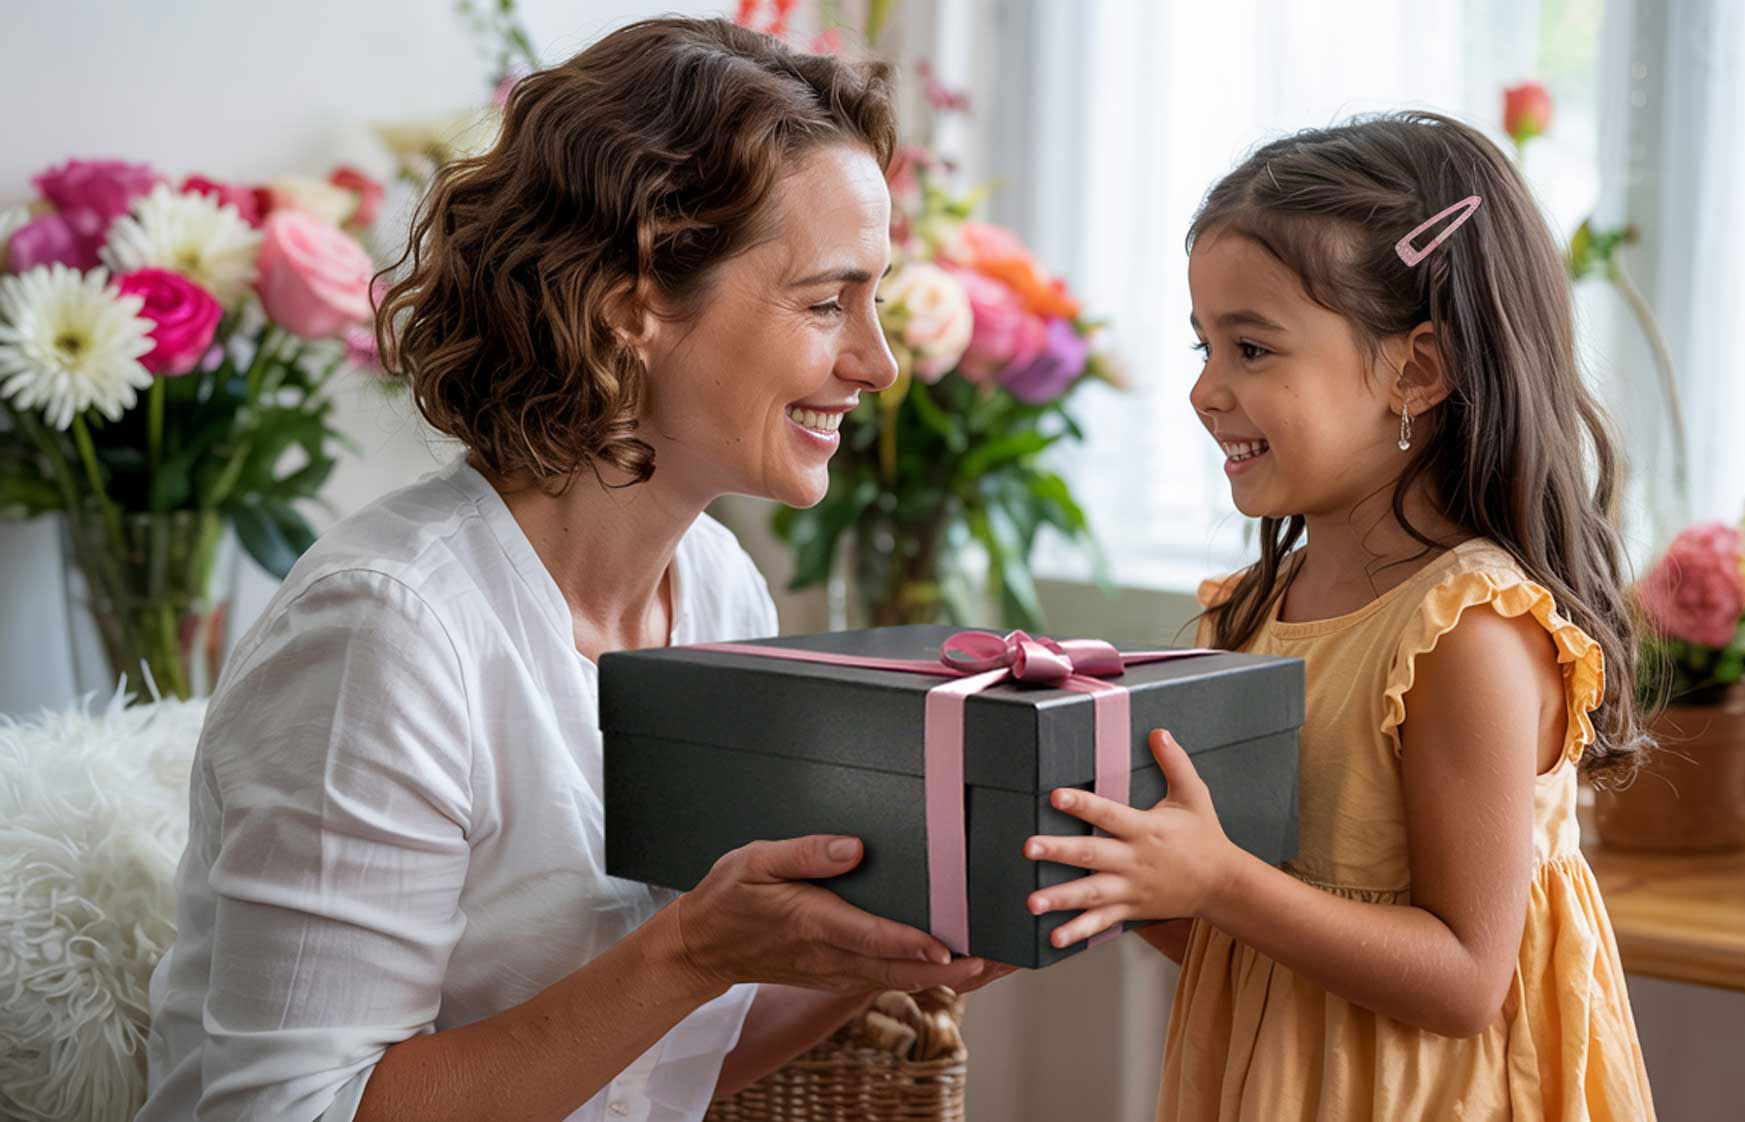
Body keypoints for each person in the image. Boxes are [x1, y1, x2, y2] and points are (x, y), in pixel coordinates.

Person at [138, 19, 1004, 1122]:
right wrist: (688, 953)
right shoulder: (386, 634)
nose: (876, 362)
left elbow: (648, 1078)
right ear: (631, 302)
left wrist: (921, 947)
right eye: (827, 300)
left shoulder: (719, 589)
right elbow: (286, 1111)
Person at [1022, 112, 1659, 1120]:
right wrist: (1114, 873)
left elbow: (1462, 980)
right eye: (1204, 344)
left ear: (1414, 371)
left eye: (1250, 348)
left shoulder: (1468, 634)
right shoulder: (1245, 616)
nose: (1202, 389)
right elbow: (1235, 932)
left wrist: (1217, 882)